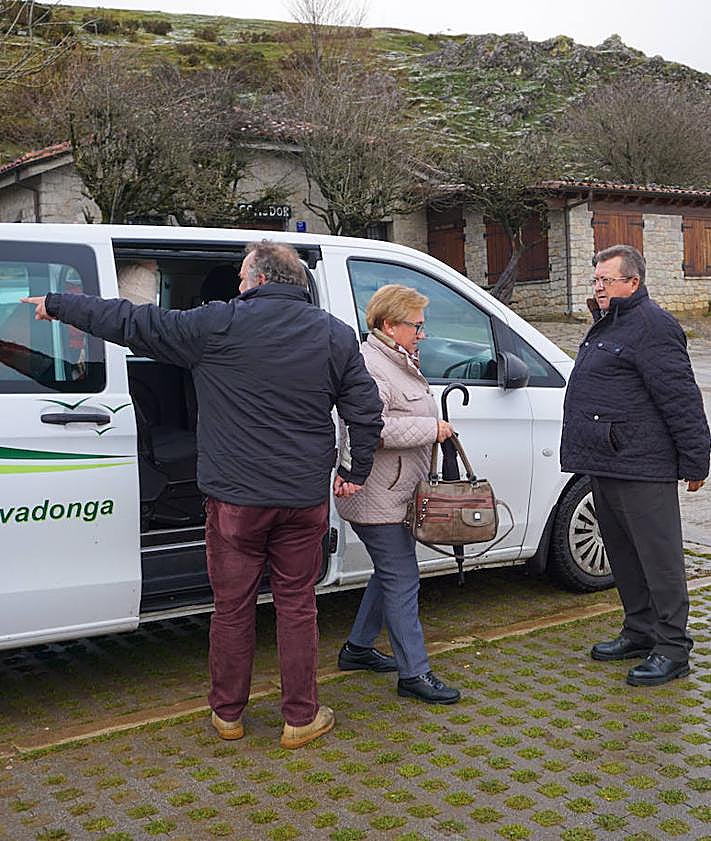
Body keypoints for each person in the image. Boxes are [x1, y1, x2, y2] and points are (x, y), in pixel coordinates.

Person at [23, 240, 384, 748]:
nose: (237, 287)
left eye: (240, 278)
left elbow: (133, 321)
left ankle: (228, 716)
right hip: (302, 500)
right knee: (297, 606)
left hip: (234, 501)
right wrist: (355, 468)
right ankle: (300, 719)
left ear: (259, 280)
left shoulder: (218, 323)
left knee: (232, 607)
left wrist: (60, 305)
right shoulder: (334, 334)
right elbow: (365, 409)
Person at [560, 244, 710, 687]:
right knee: (623, 556)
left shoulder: (653, 326)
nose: (599, 286)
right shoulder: (610, 323)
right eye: (596, 280)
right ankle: (640, 631)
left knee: (659, 560)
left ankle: (672, 648)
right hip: (608, 462)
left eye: (607, 280)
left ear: (633, 282)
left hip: (644, 467)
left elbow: (681, 399)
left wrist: (696, 459)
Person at [334, 284, 461, 704]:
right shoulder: (373, 366)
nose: (422, 334)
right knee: (403, 577)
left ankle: (357, 648)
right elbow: (373, 428)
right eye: (417, 326)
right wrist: (433, 429)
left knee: (390, 573)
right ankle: (414, 673)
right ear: (390, 324)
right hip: (376, 496)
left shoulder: (398, 359)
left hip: (395, 492)